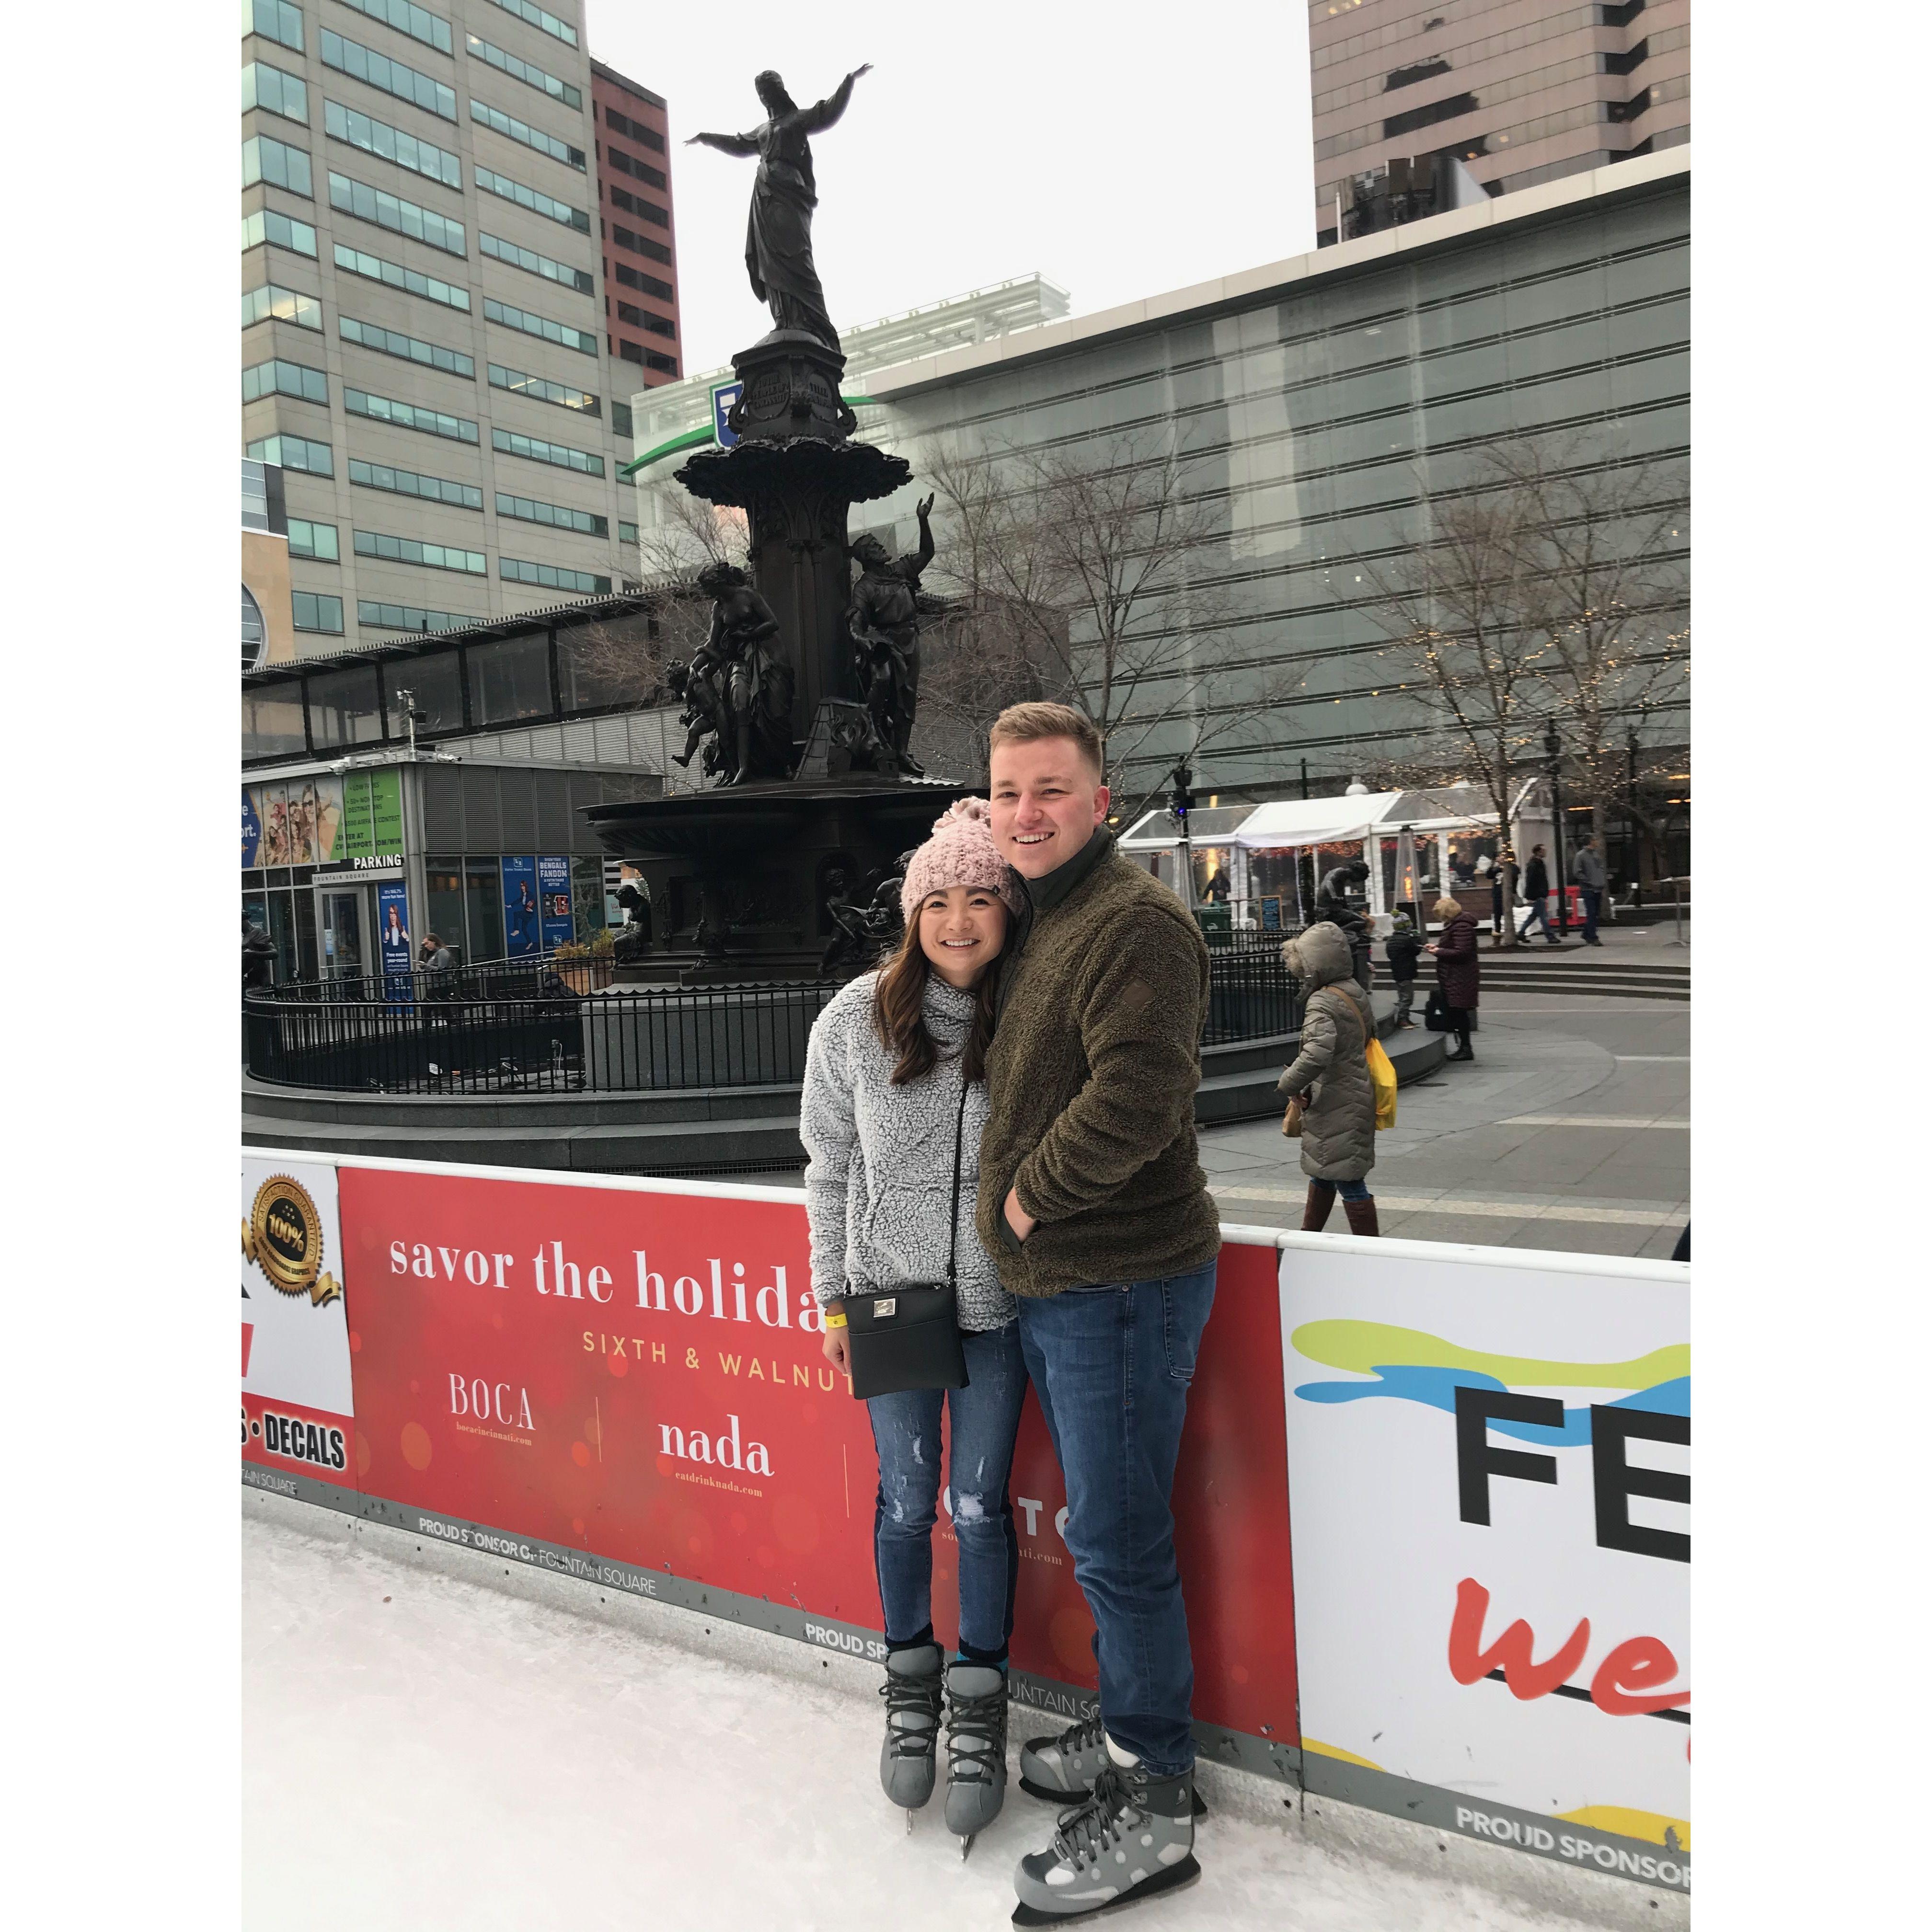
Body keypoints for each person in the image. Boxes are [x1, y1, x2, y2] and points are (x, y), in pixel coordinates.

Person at [976, 702, 1218, 1922]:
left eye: (1051, 790)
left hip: (1115, 1280)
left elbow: (1142, 1092)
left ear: (1099, 800)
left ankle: (1159, 1797)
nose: (1027, 813)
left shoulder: (1136, 922)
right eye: (1007, 791)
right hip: (1067, 1287)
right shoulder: (1043, 917)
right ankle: (1132, 1742)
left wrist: (1025, 1203)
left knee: (1119, 1542)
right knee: (1105, 1531)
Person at [801, 799, 1026, 1848]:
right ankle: (909, 1684)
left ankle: (980, 1697)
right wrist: (833, 1296)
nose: (960, 919)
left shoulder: (1026, 1012)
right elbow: (830, 1167)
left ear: (1007, 913)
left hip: (997, 1309)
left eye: (981, 897)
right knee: (905, 1503)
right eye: (940, 900)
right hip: (890, 1302)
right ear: (912, 913)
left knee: (979, 1508)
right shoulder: (856, 1016)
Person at [1277, 921, 1380, 1236]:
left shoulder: (1322, 1001)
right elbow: (1368, 1036)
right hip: (1355, 1090)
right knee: (1325, 1170)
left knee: (1349, 1179)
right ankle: (1309, 1237)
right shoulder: (1353, 990)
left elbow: (1316, 1055)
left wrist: (1288, 1083)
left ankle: (1371, 1249)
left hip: (1336, 1099)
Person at [1426, 894, 1480, 1061]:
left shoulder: (1461, 927)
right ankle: (1464, 1047)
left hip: (1460, 977)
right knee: (1457, 1011)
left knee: (1459, 1012)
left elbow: (1462, 952)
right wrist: (1438, 947)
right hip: (1456, 976)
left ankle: (1465, 1048)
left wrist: (1439, 952)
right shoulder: (1457, 925)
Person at [1385, 911, 1421, 1028]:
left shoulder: (1391, 940)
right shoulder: (1407, 939)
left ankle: (1406, 1018)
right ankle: (1402, 1020)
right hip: (1407, 972)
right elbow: (1416, 951)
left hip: (1397, 971)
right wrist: (1417, 940)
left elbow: (1390, 955)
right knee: (1407, 998)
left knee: (1402, 995)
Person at [1518, 843, 1559, 943]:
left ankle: (1521, 933)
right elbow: (1531, 881)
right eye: (1543, 851)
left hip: (1539, 893)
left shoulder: (1537, 864)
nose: (1545, 853)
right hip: (1538, 894)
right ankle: (1550, 936)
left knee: (1534, 915)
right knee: (1543, 916)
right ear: (1538, 852)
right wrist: (1532, 895)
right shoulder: (1535, 865)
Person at [1572, 834, 1607, 946]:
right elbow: (1577, 872)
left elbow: (1599, 869)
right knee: (1591, 913)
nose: (1597, 841)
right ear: (1590, 842)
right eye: (1595, 840)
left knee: (1595, 913)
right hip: (1588, 889)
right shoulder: (1581, 856)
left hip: (1597, 887)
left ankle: (1586, 933)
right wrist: (1589, 881)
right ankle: (1593, 937)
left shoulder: (1596, 854)